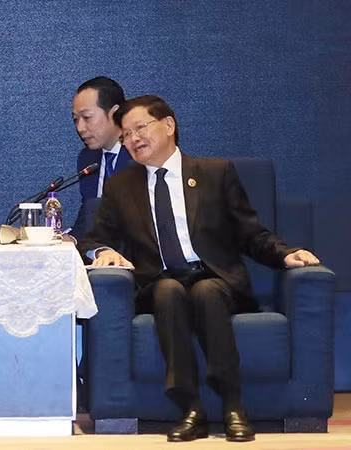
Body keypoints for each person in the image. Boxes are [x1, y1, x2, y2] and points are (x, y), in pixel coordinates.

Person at [80, 95, 320, 442]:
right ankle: (190, 407)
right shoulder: (121, 187)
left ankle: (233, 405)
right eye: (125, 135)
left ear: (168, 125)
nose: (132, 139)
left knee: (206, 290)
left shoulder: (214, 173)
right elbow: (93, 239)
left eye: (139, 128)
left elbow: (250, 233)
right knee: (168, 290)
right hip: (159, 284)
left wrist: (286, 254)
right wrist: (104, 253)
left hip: (217, 279)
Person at [68, 76, 133, 242]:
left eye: (87, 117)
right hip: (97, 255)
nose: (80, 128)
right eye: (76, 120)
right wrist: (71, 239)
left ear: (115, 113)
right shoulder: (88, 158)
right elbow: (88, 215)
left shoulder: (139, 155)